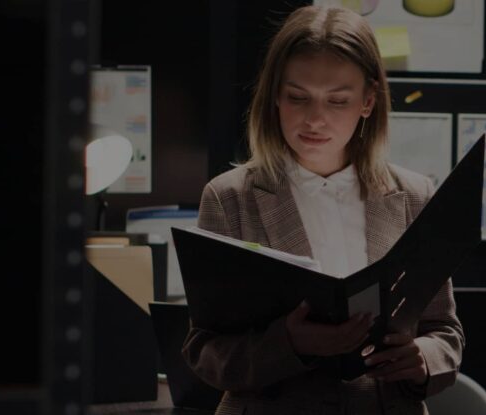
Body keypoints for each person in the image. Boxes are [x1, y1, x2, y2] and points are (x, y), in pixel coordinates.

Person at [182, 5, 464, 414]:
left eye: (337, 101)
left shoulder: (414, 195)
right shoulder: (230, 198)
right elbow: (203, 350)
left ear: (367, 101)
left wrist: (423, 357)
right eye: (298, 97)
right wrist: (290, 343)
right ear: (275, 94)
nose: (315, 119)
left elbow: (446, 333)